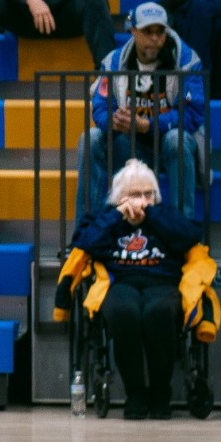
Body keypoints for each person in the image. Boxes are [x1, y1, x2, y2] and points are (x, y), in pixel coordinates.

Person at [68, 159, 202, 419]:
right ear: (119, 197)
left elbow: (189, 236)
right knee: (124, 313)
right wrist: (118, 215)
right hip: (120, 282)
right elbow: (83, 242)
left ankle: (161, 393)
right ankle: (136, 393)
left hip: (162, 281)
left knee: (159, 312)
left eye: (148, 194)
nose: (142, 200)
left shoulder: (164, 214)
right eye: (134, 195)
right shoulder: (105, 217)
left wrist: (151, 214)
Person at [79, 2, 204, 221]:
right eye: (147, 31)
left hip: (167, 145)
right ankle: (86, 233)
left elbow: (193, 114)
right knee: (91, 138)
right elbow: (99, 107)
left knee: (178, 140)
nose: (154, 38)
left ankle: (183, 234)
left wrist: (149, 125)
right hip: (128, 144)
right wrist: (114, 120)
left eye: (160, 32)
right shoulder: (113, 62)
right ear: (133, 31)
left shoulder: (187, 61)